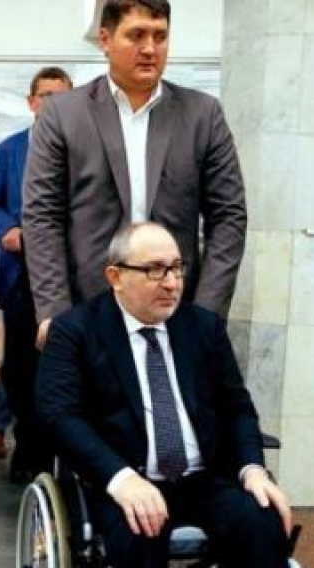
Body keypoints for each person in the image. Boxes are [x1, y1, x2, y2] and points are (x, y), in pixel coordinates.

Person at [37, 222, 292, 567]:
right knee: (139, 532)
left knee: (262, 521)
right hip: (127, 476)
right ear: (115, 277)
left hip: (204, 477)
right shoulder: (75, 332)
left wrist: (253, 469)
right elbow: (60, 417)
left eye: (176, 268)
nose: (171, 283)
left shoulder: (203, 327)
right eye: (154, 270)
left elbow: (238, 408)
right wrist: (122, 480)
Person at [22, 0, 246, 349]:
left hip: (177, 315)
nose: (150, 49)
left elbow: (228, 217)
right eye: (136, 35)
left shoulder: (202, 115)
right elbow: (42, 216)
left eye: (160, 36)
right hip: (88, 313)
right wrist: (55, 312)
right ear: (105, 39)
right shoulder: (63, 115)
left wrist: (207, 313)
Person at [0, 66, 73, 480]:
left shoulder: (85, 147)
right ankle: (27, 449)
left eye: (62, 96)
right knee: (21, 366)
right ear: (32, 102)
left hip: (69, 278)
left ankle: (60, 451)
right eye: (47, 96)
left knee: (63, 365)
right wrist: (7, 229)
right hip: (21, 276)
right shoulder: (9, 150)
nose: (54, 104)